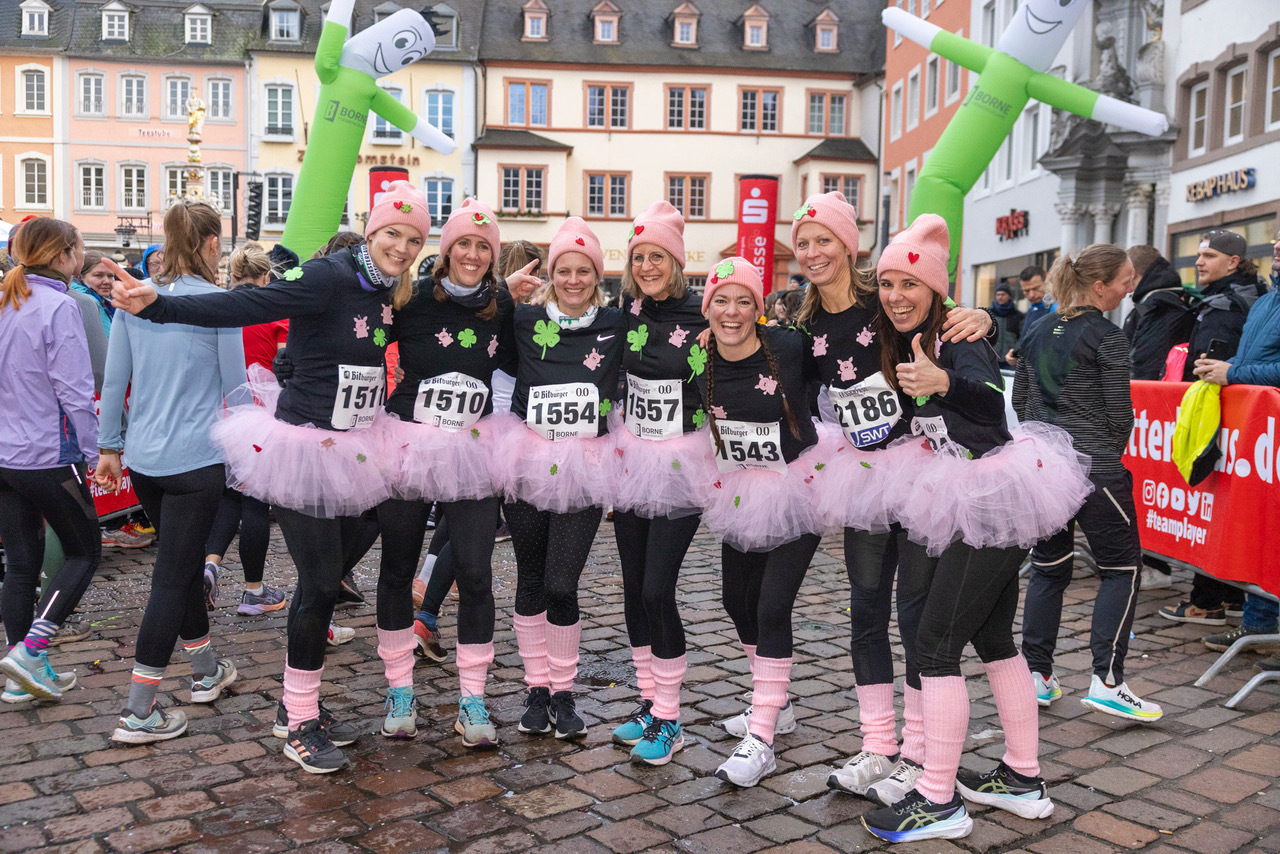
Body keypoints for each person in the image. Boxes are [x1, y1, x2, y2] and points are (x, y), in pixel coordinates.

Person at [108, 185, 424, 772]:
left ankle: (295, 708)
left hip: (355, 449)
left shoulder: (388, 291)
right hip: (303, 449)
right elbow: (247, 305)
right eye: (392, 235)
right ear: (371, 230)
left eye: (413, 240)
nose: (402, 248)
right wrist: (160, 305)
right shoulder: (330, 275)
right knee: (323, 581)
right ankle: (299, 722)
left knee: (323, 581)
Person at [862, 215, 1075, 843]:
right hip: (956, 492)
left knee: (934, 644)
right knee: (991, 637)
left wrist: (945, 380)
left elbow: (990, 406)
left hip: (991, 497)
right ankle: (1023, 776)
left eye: (909, 284)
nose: (897, 295)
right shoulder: (900, 337)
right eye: (888, 283)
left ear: (935, 290)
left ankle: (938, 799)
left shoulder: (958, 336)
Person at [780, 192, 990, 806]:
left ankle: (919, 752)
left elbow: (947, 321)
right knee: (866, 610)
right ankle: (878, 745)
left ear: (850, 244)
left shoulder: (888, 297)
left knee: (915, 616)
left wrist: (983, 316)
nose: (814, 252)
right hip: (864, 477)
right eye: (805, 242)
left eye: (825, 240)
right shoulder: (804, 320)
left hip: (923, 472)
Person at [97, 202, 244, 743]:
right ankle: (139, 710)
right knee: (169, 578)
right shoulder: (219, 303)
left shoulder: (136, 300)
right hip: (196, 460)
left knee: (178, 567)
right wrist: (258, 447)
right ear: (209, 243)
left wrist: (109, 445)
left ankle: (206, 671)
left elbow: (116, 382)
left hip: (145, 461)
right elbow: (236, 389)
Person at [376, 197, 517, 747]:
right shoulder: (409, 299)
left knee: (477, 572)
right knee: (396, 569)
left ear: (494, 255)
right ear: (447, 248)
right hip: (409, 445)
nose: (474, 254)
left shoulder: (501, 304)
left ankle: (473, 699)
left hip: (473, 450)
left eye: (485, 247)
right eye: (465, 243)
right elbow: (359, 342)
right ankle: (399, 691)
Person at [1016, 244, 1164, 723]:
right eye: (1124, 280)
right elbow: (1120, 412)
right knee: (1122, 568)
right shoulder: (1108, 335)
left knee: (1049, 569)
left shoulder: (1037, 328)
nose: (1130, 287)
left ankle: (1036, 675)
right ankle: (1108, 681)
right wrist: (1105, 451)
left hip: (1046, 468)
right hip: (1096, 467)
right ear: (1099, 286)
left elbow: (1020, 404)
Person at [694, 257, 827, 788]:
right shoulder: (697, 357)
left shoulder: (789, 348)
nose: (732, 311)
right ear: (707, 308)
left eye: (744, 300)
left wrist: (979, 319)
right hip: (742, 490)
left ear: (759, 308)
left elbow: (856, 347)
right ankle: (780, 704)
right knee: (735, 601)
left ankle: (763, 736)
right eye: (721, 300)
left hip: (800, 489)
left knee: (773, 606)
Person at [499, 217, 624, 741]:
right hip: (528, 460)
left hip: (586, 465)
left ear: (597, 274)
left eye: (584, 270)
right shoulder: (524, 319)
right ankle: (536, 688)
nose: (573, 280)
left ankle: (565, 690)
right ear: (551, 274)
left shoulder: (618, 325)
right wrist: (501, 294)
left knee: (561, 582)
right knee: (530, 576)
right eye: (564, 270)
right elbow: (478, 333)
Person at [607, 201, 717, 766]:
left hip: (681, 466)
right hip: (631, 461)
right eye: (640, 256)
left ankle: (671, 718)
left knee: (657, 590)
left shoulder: (704, 315)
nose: (648, 265)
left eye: (658, 257)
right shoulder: (625, 313)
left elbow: (762, 352)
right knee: (632, 590)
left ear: (677, 262)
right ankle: (650, 702)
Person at [0, 217, 102, 704]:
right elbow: (76, 391)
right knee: (85, 551)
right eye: (79, 249)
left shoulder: (7, 299)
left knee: (21, 566)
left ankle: (23, 672)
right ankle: (29, 655)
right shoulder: (58, 306)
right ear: (63, 255)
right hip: (45, 454)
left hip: (6, 456)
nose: (81, 256)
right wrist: (94, 451)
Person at [1159, 229, 1266, 624]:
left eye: (1208, 256)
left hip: (1220, 420)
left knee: (1215, 507)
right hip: (1237, 420)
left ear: (1234, 262)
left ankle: (1208, 599)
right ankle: (1230, 595)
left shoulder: (1229, 304)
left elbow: (1207, 364)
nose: (1199, 262)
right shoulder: (1246, 297)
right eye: (1199, 255)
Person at [1186, 240, 1280, 659]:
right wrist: (1222, 369)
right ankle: (1258, 625)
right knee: (1264, 526)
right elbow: (1248, 358)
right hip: (1261, 435)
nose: (1277, 245)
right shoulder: (1265, 303)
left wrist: (1234, 372)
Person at [202, 244, 289, 617]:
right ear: (267, 276)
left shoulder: (221, 306)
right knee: (255, 501)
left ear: (233, 276)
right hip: (262, 411)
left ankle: (210, 565)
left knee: (228, 496)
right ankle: (253, 592)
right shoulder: (276, 308)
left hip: (222, 410)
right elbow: (286, 363)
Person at [1122, 245, 1194, 589]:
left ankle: (1155, 562)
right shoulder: (1155, 301)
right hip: (1154, 412)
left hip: (1154, 412)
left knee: (1152, 484)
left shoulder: (1160, 304)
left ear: (1134, 275)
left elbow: (1142, 362)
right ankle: (1148, 558)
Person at [1004, 266, 1051, 366]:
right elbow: (1026, 339)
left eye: (1036, 288)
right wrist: (1015, 352)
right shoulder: (1031, 311)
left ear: (1046, 283)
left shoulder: (1056, 309)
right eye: (1026, 291)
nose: (1031, 295)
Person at [72, 250, 116, 339]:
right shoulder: (91, 302)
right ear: (80, 276)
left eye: (111, 276)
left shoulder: (103, 301)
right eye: (99, 275)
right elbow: (108, 344)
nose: (107, 281)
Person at [989, 282, 1023, 361]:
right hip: (992, 357)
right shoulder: (989, 313)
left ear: (1009, 296)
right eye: (998, 295)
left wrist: (1015, 352)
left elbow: (1020, 337)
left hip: (1009, 358)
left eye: (1003, 294)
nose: (1000, 297)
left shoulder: (1017, 315)